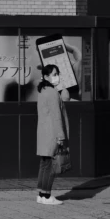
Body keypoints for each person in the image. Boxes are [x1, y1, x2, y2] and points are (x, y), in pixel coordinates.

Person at [36, 64, 70, 205]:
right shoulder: (52, 92)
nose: (57, 77)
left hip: (44, 133)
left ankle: (41, 194)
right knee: (50, 165)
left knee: (44, 164)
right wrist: (61, 136)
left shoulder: (43, 91)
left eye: (57, 74)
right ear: (46, 76)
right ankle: (47, 195)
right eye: (54, 74)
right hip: (52, 133)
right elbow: (57, 116)